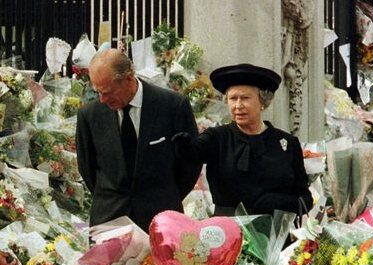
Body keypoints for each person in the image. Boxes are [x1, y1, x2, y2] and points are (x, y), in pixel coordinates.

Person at [76, 49, 201, 231]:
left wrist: (165, 196)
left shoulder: (172, 106)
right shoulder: (90, 115)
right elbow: (87, 168)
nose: (102, 100)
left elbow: (190, 163)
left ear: (128, 78)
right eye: (97, 92)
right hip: (109, 220)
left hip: (162, 220)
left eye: (108, 92)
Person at [173, 63, 312, 217]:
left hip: (276, 234)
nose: (238, 105)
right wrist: (183, 146)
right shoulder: (217, 137)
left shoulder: (287, 143)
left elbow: (305, 199)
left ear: (262, 101)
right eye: (233, 99)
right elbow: (193, 154)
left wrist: (280, 202)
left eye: (245, 98)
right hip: (228, 234)